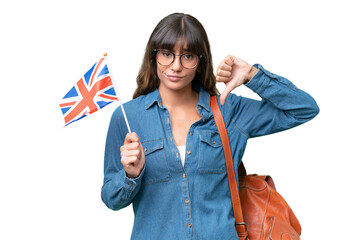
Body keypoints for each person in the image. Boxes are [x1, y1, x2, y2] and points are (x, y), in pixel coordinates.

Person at [101, 13, 319, 240]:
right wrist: (130, 175)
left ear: (200, 61)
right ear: (153, 56)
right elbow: (111, 199)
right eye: (167, 54)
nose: (176, 66)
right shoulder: (127, 117)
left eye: (187, 56)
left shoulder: (228, 110)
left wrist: (251, 75)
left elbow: (303, 109)